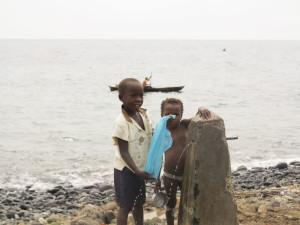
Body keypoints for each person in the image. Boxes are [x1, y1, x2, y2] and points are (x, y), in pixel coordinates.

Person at [154, 98, 211, 225]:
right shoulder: (161, 131)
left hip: (187, 175)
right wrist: (157, 179)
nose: (172, 117)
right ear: (161, 115)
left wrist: (201, 108)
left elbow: (198, 117)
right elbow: (157, 156)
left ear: (181, 115)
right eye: (167, 114)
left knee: (190, 200)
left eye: (176, 114)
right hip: (169, 176)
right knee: (170, 202)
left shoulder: (184, 125)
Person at [112, 78, 154, 225]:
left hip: (140, 168)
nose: (138, 99)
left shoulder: (145, 115)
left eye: (141, 95)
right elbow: (123, 151)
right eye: (133, 96)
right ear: (121, 98)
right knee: (125, 206)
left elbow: (153, 136)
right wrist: (136, 171)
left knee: (139, 202)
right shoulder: (121, 122)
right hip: (126, 169)